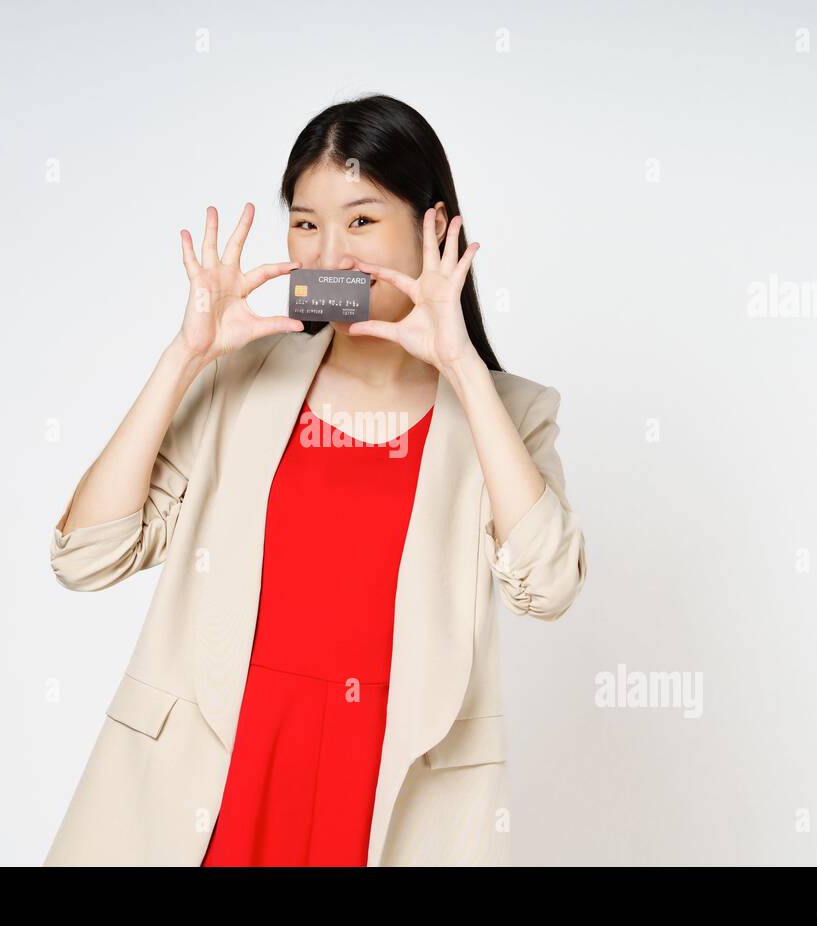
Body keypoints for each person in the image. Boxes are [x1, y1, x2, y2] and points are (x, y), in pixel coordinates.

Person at [45, 94, 587, 867]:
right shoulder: (245, 381)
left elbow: (550, 585)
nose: (328, 257)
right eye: (306, 223)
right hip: (215, 776)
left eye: (361, 222)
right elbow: (86, 556)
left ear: (435, 229)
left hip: (386, 793)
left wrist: (463, 367)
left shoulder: (509, 415)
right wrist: (184, 358)